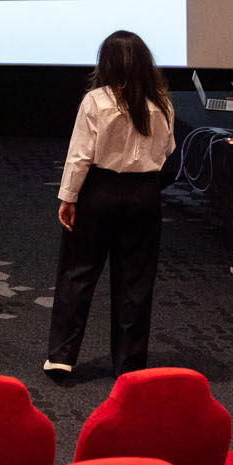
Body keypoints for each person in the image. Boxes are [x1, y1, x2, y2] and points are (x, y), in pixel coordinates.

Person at [45, 29, 176, 377]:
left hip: (101, 191)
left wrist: (68, 197)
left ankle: (61, 357)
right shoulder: (161, 103)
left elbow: (79, 156)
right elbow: (168, 151)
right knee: (136, 281)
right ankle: (129, 365)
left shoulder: (96, 101)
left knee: (79, 271)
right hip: (145, 195)